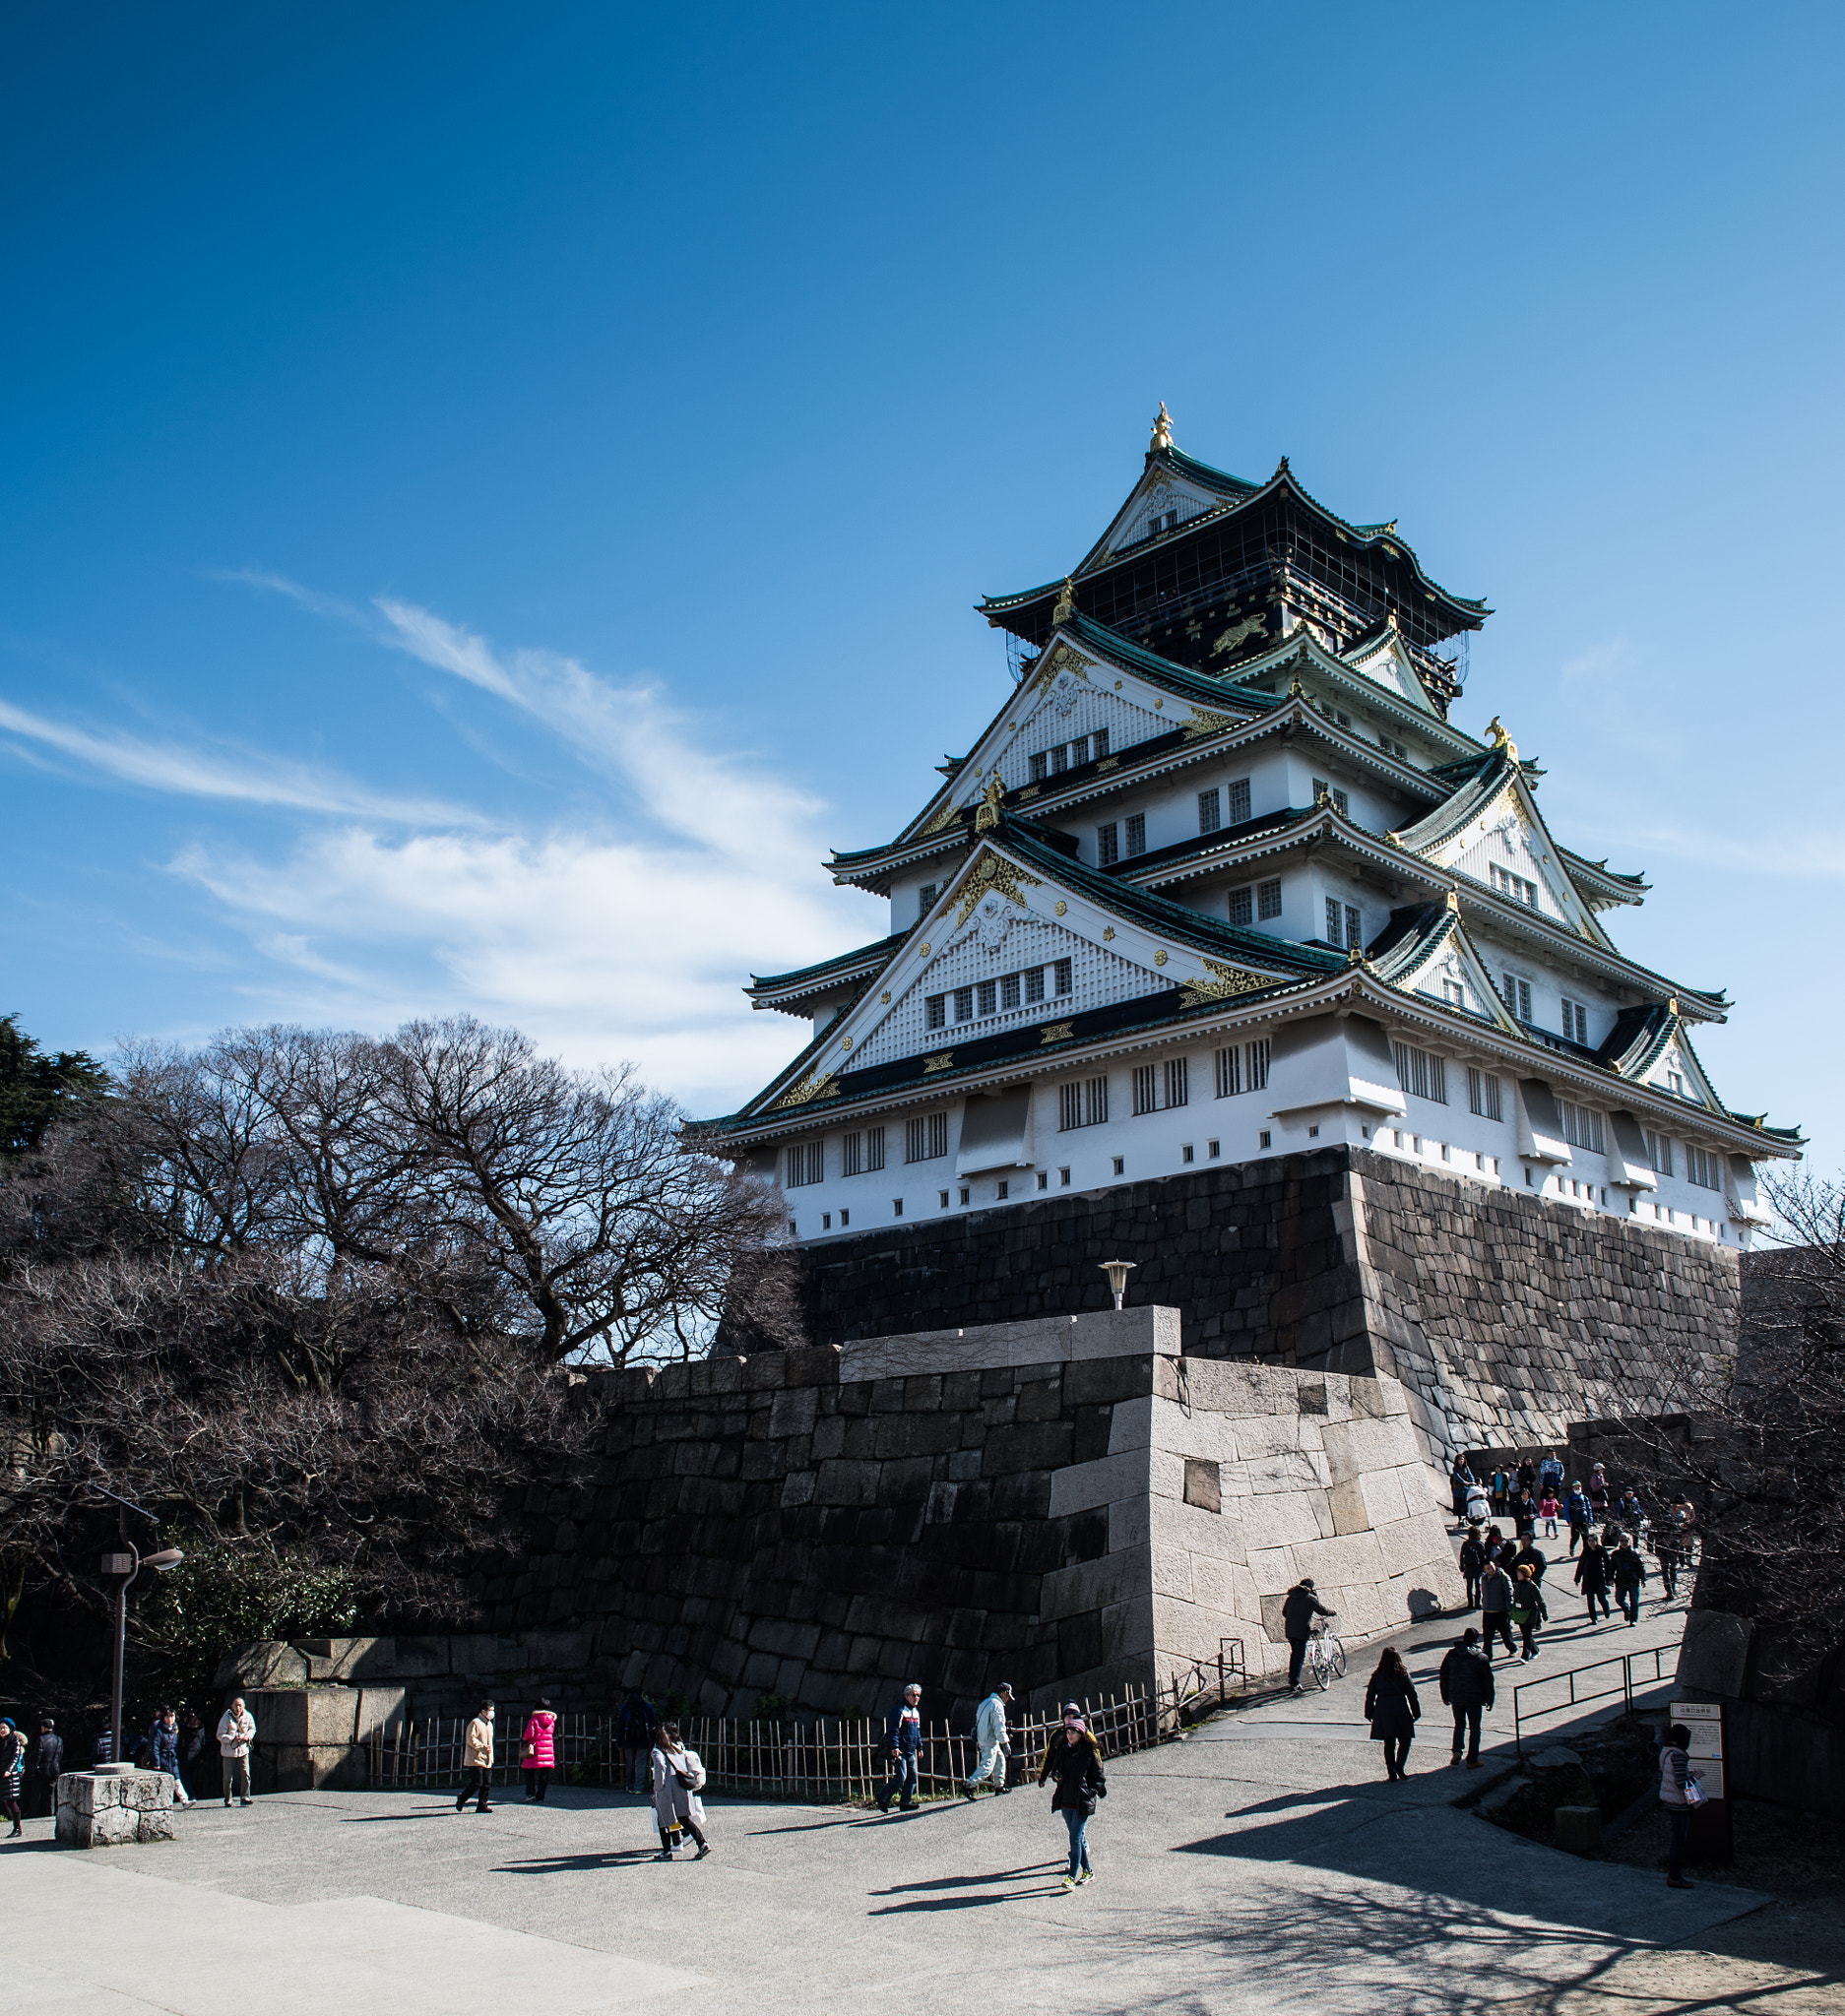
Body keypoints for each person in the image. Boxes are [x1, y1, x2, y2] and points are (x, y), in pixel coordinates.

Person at [1038, 1710, 1106, 1889]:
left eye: (1073, 1732)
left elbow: (1099, 1777)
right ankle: (1088, 1871)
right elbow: (1056, 1769)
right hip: (1066, 1799)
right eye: (1068, 1732)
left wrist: (1091, 1792)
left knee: (1075, 1838)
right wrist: (1055, 1776)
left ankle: (1070, 1877)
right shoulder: (1063, 1750)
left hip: (1081, 1801)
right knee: (1078, 1838)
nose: (1069, 1735)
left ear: (1081, 1734)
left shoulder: (1088, 1753)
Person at [649, 1721, 711, 1860]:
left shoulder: (657, 1750)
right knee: (684, 1818)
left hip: (667, 1790)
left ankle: (667, 1851)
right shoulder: (674, 1748)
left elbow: (659, 1766)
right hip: (681, 1787)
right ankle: (702, 1843)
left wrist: (658, 1787)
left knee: (663, 1820)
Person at [1437, 1627, 1495, 1769]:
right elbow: (1488, 1681)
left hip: (1456, 1696)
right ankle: (1472, 1759)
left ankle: (1457, 1751)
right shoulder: (1481, 1657)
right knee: (1475, 1728)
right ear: (1476, 1640)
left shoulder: (1451, 1654)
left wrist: (1445, 1695)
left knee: (1459, 1725)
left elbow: (1443, 1676)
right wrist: (1490, 1699)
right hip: (1475, 1697)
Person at [1364, 1647, 1421, 1781]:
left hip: (1383, 1711)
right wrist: (1416, 1712)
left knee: (1389, 1742)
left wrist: (1369, 1713)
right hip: (1400, 1709)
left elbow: (1370, 1696)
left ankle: (1391, 1771)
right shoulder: (1403, 1674)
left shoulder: (1377, 1675)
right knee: (1405, 1739)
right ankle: (1399, 1765)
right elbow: (1412, 1695)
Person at [1282, 1578, 1336, 1693]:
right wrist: (1332, 1612)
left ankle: (1292, 1678)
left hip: (1290, 1630)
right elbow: (1322, 1610)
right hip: (1301, 1631)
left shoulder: (1290, 1597)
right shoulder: (1309, 1598)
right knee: (1300, 1656)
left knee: (1294, 1654)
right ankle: (1295, 1682)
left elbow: (1284, 1613)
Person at [876, 1683, 923, 1813]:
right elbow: (894, 1730)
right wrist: (895, 1747)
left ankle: (905, 1802)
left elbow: (917, 1732)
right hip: (900, 1750)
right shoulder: (899, 1711)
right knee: (901, 1776)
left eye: (918, 1695)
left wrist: (920, 1747)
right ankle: (883, 1797)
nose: (916, 1698)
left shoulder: (915, 1712)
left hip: (910, 1750)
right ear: (906, 1696)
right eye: (913, 1695)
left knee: (912, 1777)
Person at [1660, 1721, 1696, 1889]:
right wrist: (1696, 1776)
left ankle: (1674, 1875)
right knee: (1679, 1841)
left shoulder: (1665, 1752)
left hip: (1669, 1800)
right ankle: (1674, 1876)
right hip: (1680, 1803)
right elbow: (1681, 1782)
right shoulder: (1679, 1755)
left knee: (1676, 1839)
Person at [963, 1681, 1014, 1797]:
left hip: (984, 1739)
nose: (1008, 1699)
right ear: (1004, 1694)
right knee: (987, 1767)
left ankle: (999, 1786)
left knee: (1000, 1761)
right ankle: (969, 1785)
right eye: (1008, 1696)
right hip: (989, 1741)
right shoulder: (997, 1706)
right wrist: (1005, 1743)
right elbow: (999, 1726)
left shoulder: (985, 1703)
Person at [614, 1687, 656, 1796]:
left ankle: (630, 1785)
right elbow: (653, 1725)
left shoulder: (626, 1708)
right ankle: (639, 1787)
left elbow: (620, 1726)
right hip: (643, 1740)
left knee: (630, 1764)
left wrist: (619, 1742)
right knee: (640, 1764)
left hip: (628, 1741)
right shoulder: (646, 1707)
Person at [456, 1699, 494, 1814]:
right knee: (477, 1782)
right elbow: (471, 1739)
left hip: (487, 1757)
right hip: (475, 1758)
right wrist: (482, 1747)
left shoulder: (489, 1725)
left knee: (487, 1782)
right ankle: (462, 1798)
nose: (491, 1713)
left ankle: (482, 1804)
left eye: (492, 1710)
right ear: (483, 1711)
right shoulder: (475, 1723)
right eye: (489, 1710)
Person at [217, 1696, 256, 1807]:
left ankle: (245, 1796)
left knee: (245, 1774)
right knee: (228, 1777)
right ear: (232, 1706)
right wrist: (232, 1739)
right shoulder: (226, 1718)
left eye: (240, 1705)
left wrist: (247, 1736)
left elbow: (252, 1728)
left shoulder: (248, 1716)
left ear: (244, 1706)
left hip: (243, 1750)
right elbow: (219, 1735)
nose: (238, 1708)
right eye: (236, 1705)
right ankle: (228, 1799)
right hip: (229, 1751)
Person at [150, 1706, 192, 1806]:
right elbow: (155, 1746)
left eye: (172, 1716)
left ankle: (184, 1800)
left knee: (177, 1780)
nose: (170, 1719)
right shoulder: (159, 1730)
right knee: (164, 1783)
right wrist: (156, 1762)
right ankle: (164, 1803)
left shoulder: (174, 1729)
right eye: (168, 1717)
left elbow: (176, 1746)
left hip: (172, 1759)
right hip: (163, 1759)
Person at [1510, 1563, 1549, 1662]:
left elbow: (1540, 1601)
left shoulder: (1532, 1586)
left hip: (1530, 1614)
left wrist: (1544, 1614)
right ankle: (1535, 1650)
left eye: (1519, 1573)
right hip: (1520, 1613)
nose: (1517, 1575)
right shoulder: (1518, 1585)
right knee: (1526, 1634)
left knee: (1527, 1636)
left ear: (1525, 1574)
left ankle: (1525, 1656)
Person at [1480, 1555, 1515, 1661]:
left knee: (1505, 1633)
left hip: (1501, 1611)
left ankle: (1512, 1648)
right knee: (1487, 1635)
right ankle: (1488, 1654)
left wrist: (1509, 1608)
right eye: (1488, 1568)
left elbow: (1509, 1593)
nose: (1490, 1570)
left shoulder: (1503, 1577)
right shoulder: (1484, 1578)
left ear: (1494, 1565)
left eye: (1491, 1567)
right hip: (1487, 1611)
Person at [522, 1698, 558, 1802]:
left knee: (529, 1771)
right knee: (544, 1773)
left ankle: (530, 1793)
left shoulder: (534, 1719)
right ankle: (541, 1795)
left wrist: (524, 1740)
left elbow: (529, 1735)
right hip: (547, 1749)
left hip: (535, 1748)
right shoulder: (551, 1720)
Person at [27, 1719, 63, 1820]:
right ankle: (50, 1812)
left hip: (42, 1768)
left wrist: (34, 1769)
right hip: (54, 1768)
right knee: (51, 1792)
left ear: (43, 1727)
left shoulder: (41, 1739)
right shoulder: (58, 1739)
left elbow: (38, 1755)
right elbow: (60, 1754)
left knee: (36, 1791)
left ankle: (33, 1812)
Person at [1574, 1536, 1613, 1622]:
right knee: (1590, 1600)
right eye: (1589, 1541)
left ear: (1596, 1541)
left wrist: (1609, 1578)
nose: (1590, 1542)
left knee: (1601, 1599)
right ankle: (1593, 1618)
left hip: (1599, 1579)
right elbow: (1581, 1565)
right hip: (1588, 1579)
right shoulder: (1586, 1551)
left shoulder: (1602, 1550)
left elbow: (1608, 1565)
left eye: (1592, 1540)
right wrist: (1577, 1578)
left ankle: (1606, 1610)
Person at [1611, 1539, 1648, 1624]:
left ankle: (1633, 1619)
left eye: (1626, 1541)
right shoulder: (1616, 1554)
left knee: (1634, 1601)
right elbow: (1612, 1567)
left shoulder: (1635, 1553)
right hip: (1621, 1580)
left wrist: (1643, 1578)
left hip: (1633, 1580)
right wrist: (1610, 1578)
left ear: (1630, 1542)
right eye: (1622, 1541)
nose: (1624, 1543)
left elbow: (1640, 1566)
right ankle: (1626, 1610)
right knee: (1619, 1599)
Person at [0, 1720, 25, 1837]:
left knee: (11, 1801)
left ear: (10, 1729)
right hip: (2, 1774)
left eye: (4, 1728)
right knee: (7, 1802)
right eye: (0, 1728)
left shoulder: (15, 1741)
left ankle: (17, 1828)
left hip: (10, 1776)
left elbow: (15, 1757)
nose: (2, 1730)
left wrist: (9, 1770)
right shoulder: (2, 1741)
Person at [1458, 1524, 1487, 1610]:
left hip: (1468, 1566)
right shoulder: (1480, 1544)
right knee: (1478, 1586)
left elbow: (1462, 1555)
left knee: (1469, 1586)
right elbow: (1483, 1557)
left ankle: (1470, 1603)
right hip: (1477, 1567)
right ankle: (1477, 1603)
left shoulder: (1465, 1543)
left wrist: (1462, 1566)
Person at [1564, 1482, 1593, 1555]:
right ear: (1573, 1489)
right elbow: (1566, 1510)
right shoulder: (1570, 1499)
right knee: (1575, 1537)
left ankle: (1586, 1552)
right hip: (1574, 1521)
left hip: (1584, 1520)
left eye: (1578, 1487)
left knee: (1585, 1537)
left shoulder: (1585, 1498)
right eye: (1575, 1487)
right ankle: (1572, 1548)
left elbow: (1589, 1509)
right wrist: (1569, 1521)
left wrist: (1590, 1519)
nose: (1577, 1489)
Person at [1449, 1455, 1475, 1526]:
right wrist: (1464, 1482)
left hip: (1465, 1488)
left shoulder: (1466, 1468)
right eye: (1460, 1459)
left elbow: (1470, 1475)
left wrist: (1472, 1481)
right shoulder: (1455, 1468)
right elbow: (1457, 1476)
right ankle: (1459, 1518)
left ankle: (1467, 1519)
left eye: (1462, 1459)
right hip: (1457, 1488)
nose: (1461, 1461)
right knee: (1459, 1504)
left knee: (1466, 1504)